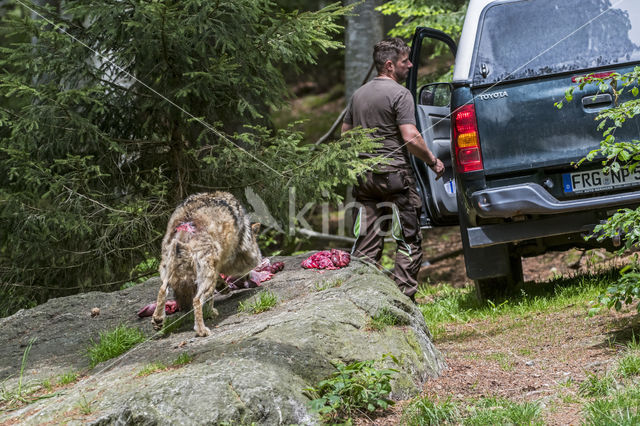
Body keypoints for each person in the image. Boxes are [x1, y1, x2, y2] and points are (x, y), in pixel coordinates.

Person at [341, 37, 445, 300]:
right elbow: (410, 136)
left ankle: (364, 301)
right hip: (395, 179)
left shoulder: (359, 95)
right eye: (404, 61)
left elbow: (345, 137)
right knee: (408, 241)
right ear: (389, 65)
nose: (410, 65)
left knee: (366, 244)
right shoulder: (400, 94)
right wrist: (432, 161)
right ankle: (403, 302)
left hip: (364, 180)